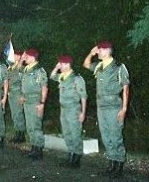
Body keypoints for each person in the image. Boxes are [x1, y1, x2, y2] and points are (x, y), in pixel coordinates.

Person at [83, 41, 129, 178]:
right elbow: (85, 64)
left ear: (108, 51)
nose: (98, 52)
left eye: (100, 50)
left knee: (116, 136)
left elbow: (126, 88)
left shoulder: (118, 67)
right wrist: (91, 53)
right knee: (106, 136)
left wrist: (124, 108)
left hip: (114, 105)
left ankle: (119, 165)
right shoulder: (99, 66)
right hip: (101, 105)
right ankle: (111, 164)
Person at [50, 54, 87, 168]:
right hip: (64, 109)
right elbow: (52, 76)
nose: (59, 65)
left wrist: (83, 113)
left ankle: (76, 159)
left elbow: (83, 97)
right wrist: (56, 68)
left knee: (75, 133)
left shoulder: (76, 78)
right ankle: (70, 155)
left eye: (61, 64)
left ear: (67, 64)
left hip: (74, 109)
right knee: (66, 133)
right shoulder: (62, 76)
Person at [19, 49, 48, 160]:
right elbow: (18, 70)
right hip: (27, 101)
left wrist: (42, 103)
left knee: (36, 126)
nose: (25, 58)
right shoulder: (26, 69)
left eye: (27, 57)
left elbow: (44, 87)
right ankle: (33, 148)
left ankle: (39, 150)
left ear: (32, 57)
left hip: (36, 100)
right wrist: (22, 95)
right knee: (29, 126)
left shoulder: (39, 71)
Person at [7, 51, 26, 143]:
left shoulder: (21, 69)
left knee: (18, 114)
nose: (12, 57)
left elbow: (24, 83)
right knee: (14, 115)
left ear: (18, 57)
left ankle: (21, 135)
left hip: (18, 93)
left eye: (15, 55)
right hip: (11, 94)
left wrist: (22, 95)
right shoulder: (11, 68)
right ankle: (17, 133)